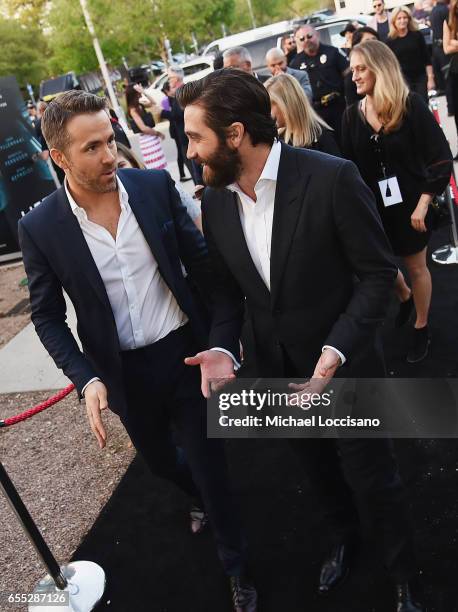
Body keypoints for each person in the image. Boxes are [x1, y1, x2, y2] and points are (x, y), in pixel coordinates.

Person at [177, 68, 424, 612]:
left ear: (236, 134)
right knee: (317, 471)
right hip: (278, 369)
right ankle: (343, 539)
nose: (189, 150)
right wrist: (222, 346)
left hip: (346, 364)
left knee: (374, 478)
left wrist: (332, 356)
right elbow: (225, 294)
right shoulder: (215, 201)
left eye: (195, 137)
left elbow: (378, 275)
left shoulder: (330, 178)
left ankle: (404, 574)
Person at [18, 90, 257, 612]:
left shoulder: (151, 188)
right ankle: (199, 495)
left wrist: (221, 341)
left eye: (110, 140)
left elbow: (205, 271)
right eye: (91, 148)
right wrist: (86, 380)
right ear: (58, 156)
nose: (108, 156)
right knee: (160, 463)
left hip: (184, 355)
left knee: (211, 467)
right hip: (121, 373)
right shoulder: (40, 228)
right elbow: (47, 316)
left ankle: (238, 567)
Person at [342, 40, 452, 362]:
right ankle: (404, 297)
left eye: (361, 69)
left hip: (412, 207)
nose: (355, 77)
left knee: (417, 267)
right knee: (384, 268)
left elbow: (440, 157)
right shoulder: (351, 116)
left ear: (380, 68)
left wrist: (424, 202)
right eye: (353, 70)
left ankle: (421, 326)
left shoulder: (409, 105)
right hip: (373, 211)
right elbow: (347, 171)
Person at [116, 142, 202, 232]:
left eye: (121, 166)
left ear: (133, 163)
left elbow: (199, 223)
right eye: (112, 170)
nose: (117, 173)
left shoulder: (166, 187)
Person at [289, 25, 348, 144]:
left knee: (346, 142)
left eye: (309, 36)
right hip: (316, 113)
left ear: (317, 35)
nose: (306, 40)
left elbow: (347, 75)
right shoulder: (295, 63)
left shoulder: (332, 52)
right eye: (302, 39)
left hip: (338, 107)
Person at [264, 73, 340, 156]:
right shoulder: (276, 140)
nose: (267, 111)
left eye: (269, 105)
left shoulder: (322, 137)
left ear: (286, 104)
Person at [386, 6, 435, 102]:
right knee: (410, 106)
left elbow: (426, 58)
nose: (402, 21)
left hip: (420, 77)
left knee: (423, 104)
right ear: (394, 21)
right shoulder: (390, 41)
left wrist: (430, 78)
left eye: (405, 18)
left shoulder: (417, 35)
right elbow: (390, 65)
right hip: (403, 80)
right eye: (399, 18)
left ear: (409, 19)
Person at [125, 84, 167, 170]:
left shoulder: (140, 104)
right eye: (138, 90)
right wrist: (158, 133)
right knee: (155, 166)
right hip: (147, 140)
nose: (140, 90)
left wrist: (144, 92)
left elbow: (153, 102)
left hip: (152, 138)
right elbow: (143, 128)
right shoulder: (133, 109)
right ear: (134, 93)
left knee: (161, 163)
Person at [161, 81, 192, 182]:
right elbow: (172, 116)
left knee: (182, 153)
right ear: (167, 91)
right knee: (181, 152)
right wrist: (163, 112)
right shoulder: (166, 101)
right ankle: (182, 174)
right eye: (172, 87)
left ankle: (182, 174)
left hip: (180, 130)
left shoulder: (177, 99)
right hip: (176, 130)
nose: (175, 88)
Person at [344, 27, 380, 106]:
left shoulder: (388, 67)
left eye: (374, 40)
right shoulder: (351, 78)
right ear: (357, 46)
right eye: (367, 42)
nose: (373, 44)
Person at [431, 0, 453, 113]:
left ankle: (451, 106)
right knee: (449, 78)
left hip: (437, 48)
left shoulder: (434, 10)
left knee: (445, 79)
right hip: (445, 48)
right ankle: (451, 107)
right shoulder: (446, 10)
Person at [443, 0, 458, 151]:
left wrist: (455, 43)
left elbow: (451, 45)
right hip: (455, 71)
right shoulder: (449, 22)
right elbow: (446, 48)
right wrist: (452, 43)